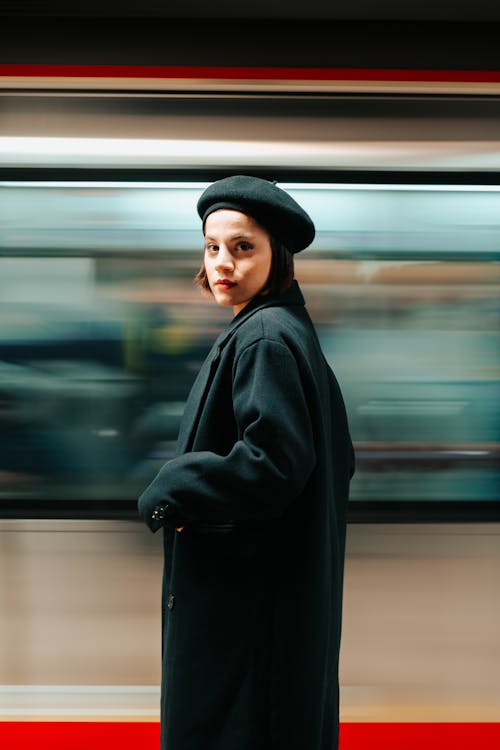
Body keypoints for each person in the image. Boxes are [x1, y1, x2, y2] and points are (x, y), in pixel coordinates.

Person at [138, 175, 355, 750]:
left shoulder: (263, 337)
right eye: (212, 247)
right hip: (264, 611)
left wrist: (174, 482)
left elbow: (274, 463)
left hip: (246, 619)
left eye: (242, 247)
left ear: (276, 255)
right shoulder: (280, 329)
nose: (221, 264)